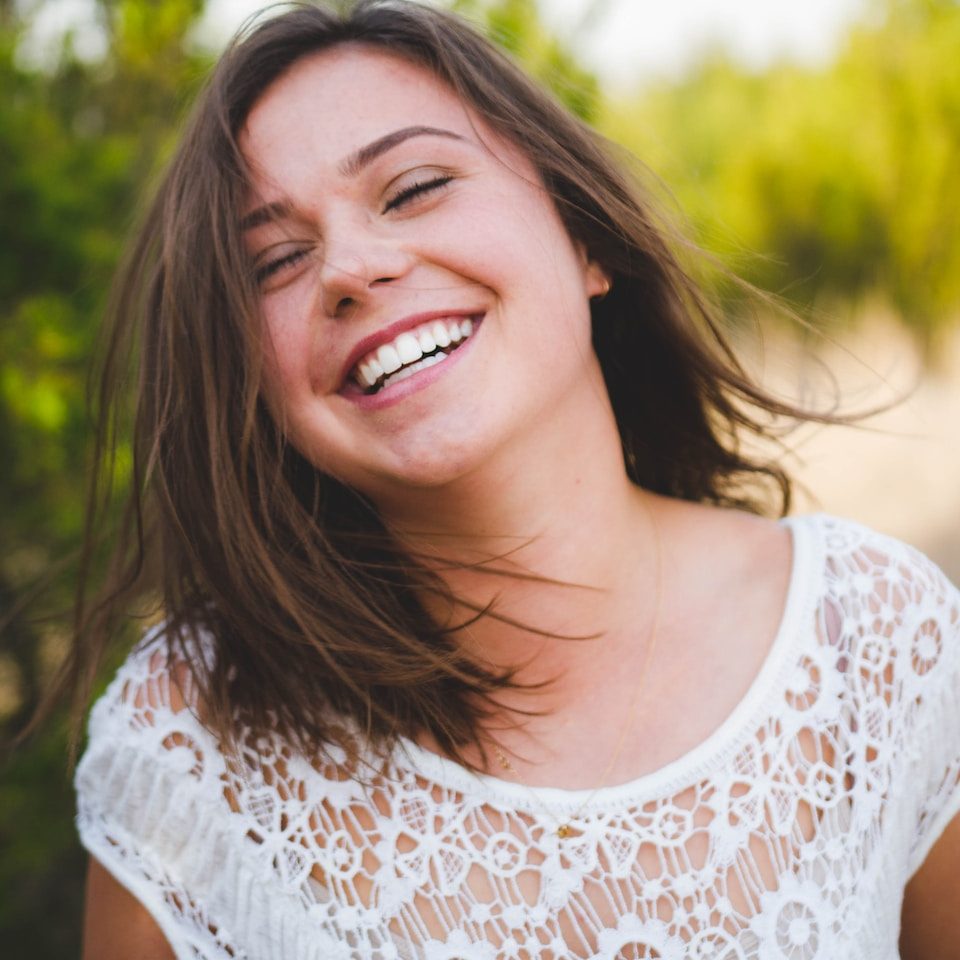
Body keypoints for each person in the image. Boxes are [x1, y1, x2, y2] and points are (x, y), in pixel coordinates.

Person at [68, 1, 959, 957]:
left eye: (412, 188)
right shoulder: (188, 740)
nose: (351, 268)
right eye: (278, 259)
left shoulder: (874, 643)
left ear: (588, 239)